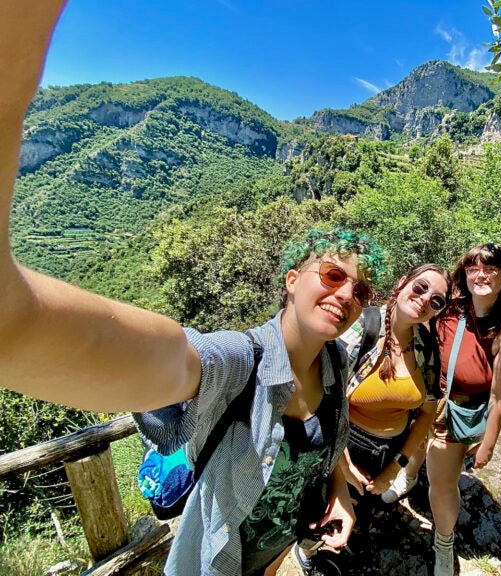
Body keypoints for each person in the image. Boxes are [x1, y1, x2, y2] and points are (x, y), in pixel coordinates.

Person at [0, 4, 389, 575]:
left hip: (288, 555)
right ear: (290, 279)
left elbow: (329, 451)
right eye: (332, 275)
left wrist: (341, 494)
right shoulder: (235, 363)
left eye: (359, 290)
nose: (345, 295)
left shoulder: (333, 363)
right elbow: (25, 332)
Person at [426, 244, 501, 576]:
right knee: (422, 466)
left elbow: (500, 397)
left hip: (456, 415)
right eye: (473, 269)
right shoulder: (448, 309)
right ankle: (408, 471)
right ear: (464, 274)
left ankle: (443, 543)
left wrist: (489, 444)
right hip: (426, 403)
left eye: (491, 269)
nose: (481, 275)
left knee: (440, 484)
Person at [338, 264, 451, 504]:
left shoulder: (426, 347)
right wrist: (342, 463)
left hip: (388, 452)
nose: (424, 299)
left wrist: (396, 465)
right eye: (421, 287)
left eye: (436, 301)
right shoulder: (362, 327)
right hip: (343, 445)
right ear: (402, 283)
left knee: (361, 515)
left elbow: (427, 411)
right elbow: (323, 400)